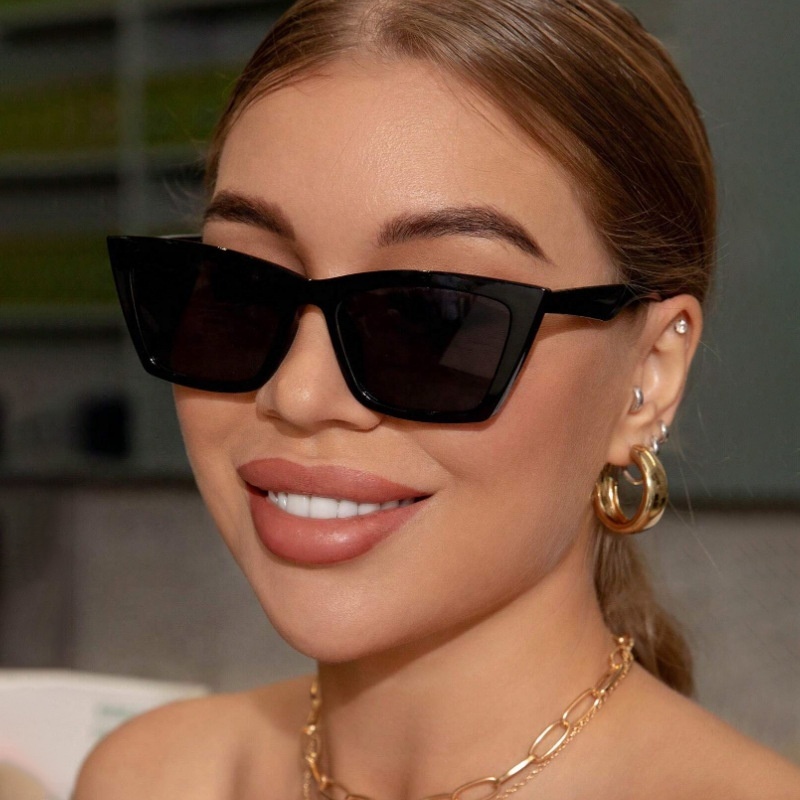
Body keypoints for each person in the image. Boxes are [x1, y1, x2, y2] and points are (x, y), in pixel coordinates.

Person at [76, 1, 800, 798]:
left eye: (432, 315)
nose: (301, 392)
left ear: (649, 375)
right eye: (242, 289)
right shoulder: (146, 778)